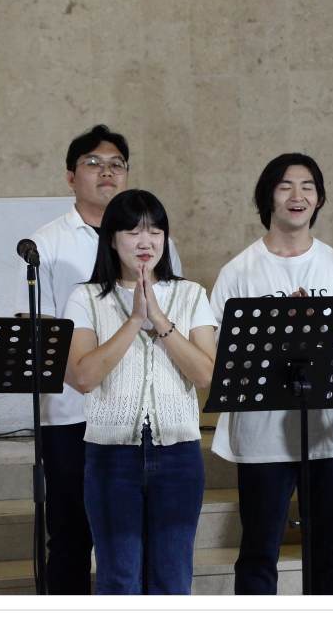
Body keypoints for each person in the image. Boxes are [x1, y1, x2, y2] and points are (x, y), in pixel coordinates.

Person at [16, 124, 182, 594]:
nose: (106, 172)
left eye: (116, 164)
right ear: (71, 177)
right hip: (73, 412)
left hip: (144, 411)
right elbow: (43, 332)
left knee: (140, 535)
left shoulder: (157, 241)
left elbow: (172, 314)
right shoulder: (46, 244)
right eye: (93, 163)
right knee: (71, 533)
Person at [209, 152, 333, 594]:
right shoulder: (239, 271)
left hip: (327, 431)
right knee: (259, 551)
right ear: (268, 197)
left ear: (319, 199)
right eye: (285, 186)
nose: (298, 196)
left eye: (308, 187)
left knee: (328, 552)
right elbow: (217, 352)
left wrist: (316, 331)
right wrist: (279, 332)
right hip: (262, 433)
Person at [63, 189, 217, 594]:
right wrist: (134, 320)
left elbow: (206, 375)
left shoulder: (191, 294)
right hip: (111, 455)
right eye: (133, 232)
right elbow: (82, 376)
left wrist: (160, 320)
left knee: (173, 578)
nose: (145, 241)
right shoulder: (86, 297)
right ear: (112, 240)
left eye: (155, 231)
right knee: (119, 578)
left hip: (179, 453)